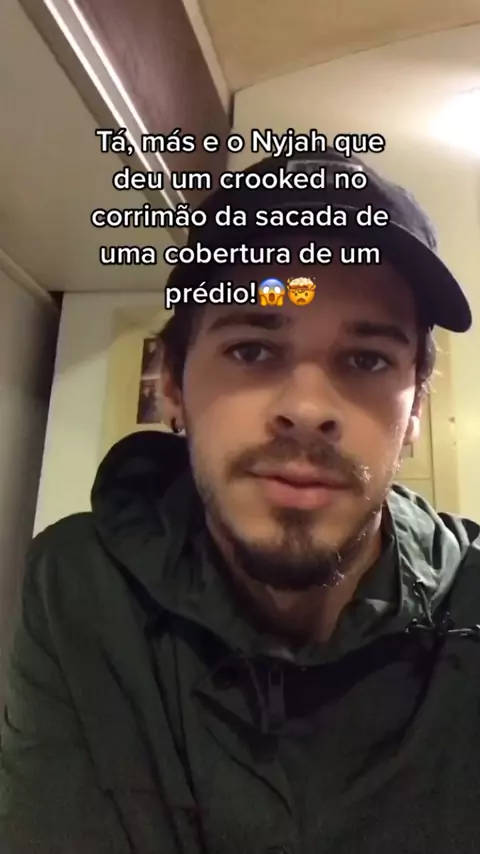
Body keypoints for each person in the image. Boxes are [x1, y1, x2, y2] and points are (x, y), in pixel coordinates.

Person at [1, 148, 478, 854]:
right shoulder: (79, 586)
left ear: (414, 415)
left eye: (368, 360)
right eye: (253, 349)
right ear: (172, 385)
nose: (308, 409)